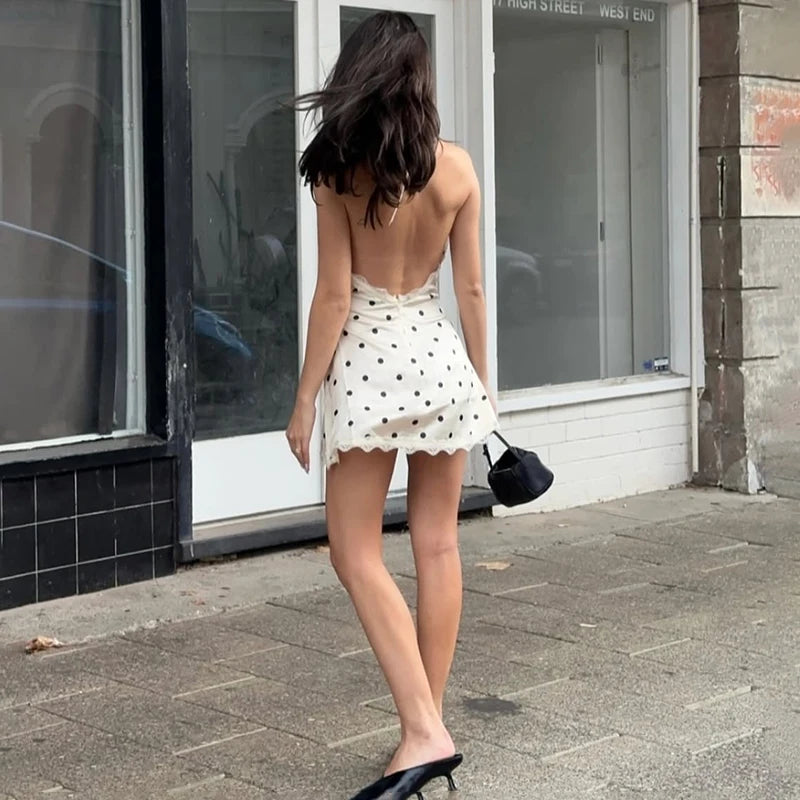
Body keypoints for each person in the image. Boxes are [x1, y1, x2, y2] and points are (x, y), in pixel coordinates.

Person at [285, 11, 498, 800]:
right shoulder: (457, 170)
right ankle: (425, 723)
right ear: (420, 77)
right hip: (440, 359)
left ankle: (423, 730)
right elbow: (471, 288)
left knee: (354, 551)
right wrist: (484, 380)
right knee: (437, 546)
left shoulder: (339, 173)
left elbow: (335, 296)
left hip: (370, 366)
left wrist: (304, 400)